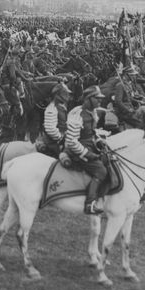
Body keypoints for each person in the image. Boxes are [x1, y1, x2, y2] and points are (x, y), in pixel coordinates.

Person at [65, 85, 107, 215]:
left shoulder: (92, 112)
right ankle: (90, 203)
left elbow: (92, 132)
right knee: (101, 171)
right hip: (77, 151)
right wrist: (87, 154)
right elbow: (72, 141)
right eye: (97, 99)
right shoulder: (77, 115)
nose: (100, 102)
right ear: (88, 99)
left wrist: (99, 141)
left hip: (89, 145)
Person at [39, 83, 69, 158]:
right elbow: (50, 129)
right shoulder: (51, 109)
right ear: (57, 95)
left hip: (61, 138)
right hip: (53, 142)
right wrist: (61, 138)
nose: (66, 96)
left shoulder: (61, 106)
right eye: (64, 93)